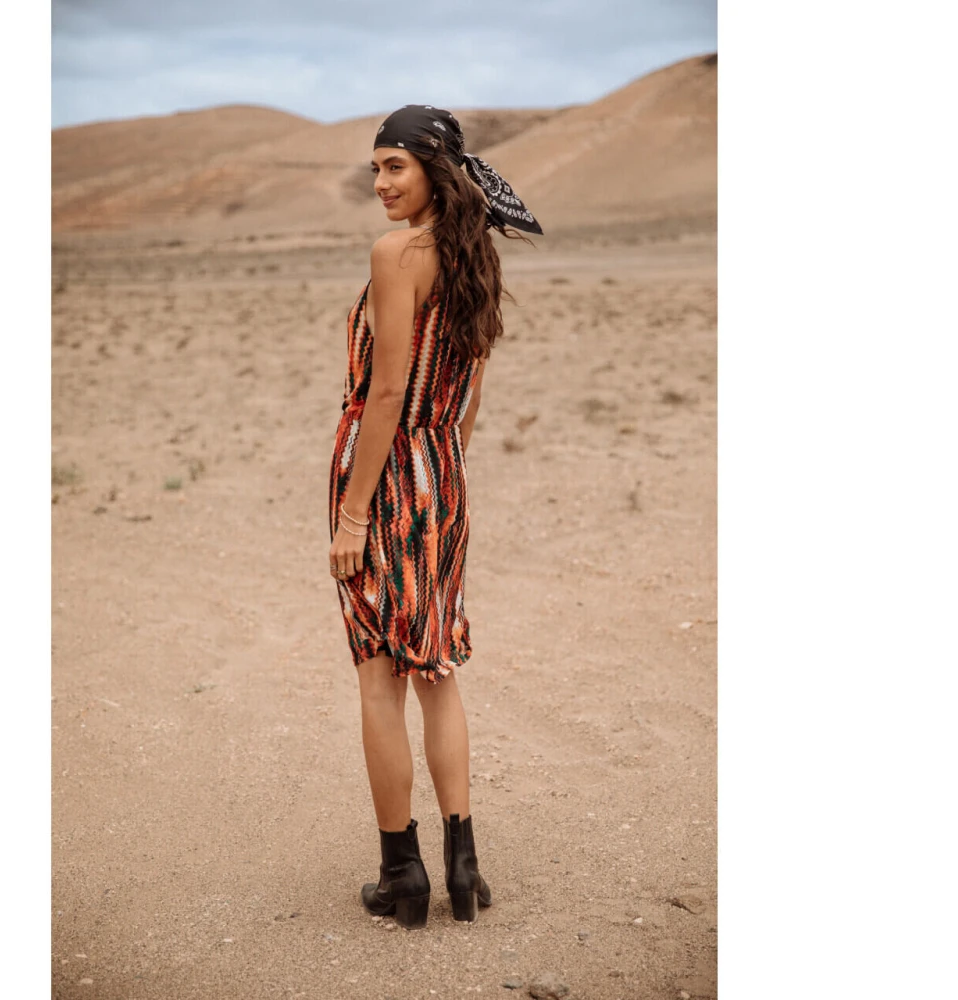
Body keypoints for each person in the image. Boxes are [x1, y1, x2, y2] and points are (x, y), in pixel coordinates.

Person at [326, 104, 543, 928]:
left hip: (385, 477)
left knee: (380, 675)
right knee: (439, 668)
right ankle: (463, 867)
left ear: (434, 171)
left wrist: (355, 514)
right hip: (444, 473)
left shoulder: (398, 255)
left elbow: (386, 391)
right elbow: (472, 392)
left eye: (395, 167)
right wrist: (439, 476)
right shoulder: (473, 255)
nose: (381, 183)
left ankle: (403, 875)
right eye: (376, 169)